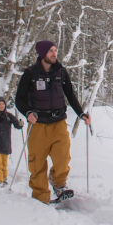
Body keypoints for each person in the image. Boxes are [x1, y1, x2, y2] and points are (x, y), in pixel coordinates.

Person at [15, 40, 91, 204]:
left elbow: (70, 95)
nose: (54, 53)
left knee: (63, 158)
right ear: (42, 53)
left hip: (58, 123)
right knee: (37, 163)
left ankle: (58, 184)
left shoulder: (60, 72)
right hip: (38, 125)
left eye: (55, 50)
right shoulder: (30, 74)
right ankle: (40, 197)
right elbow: (19, 100)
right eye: (50, 51)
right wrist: (27, 113)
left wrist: (81, 114)